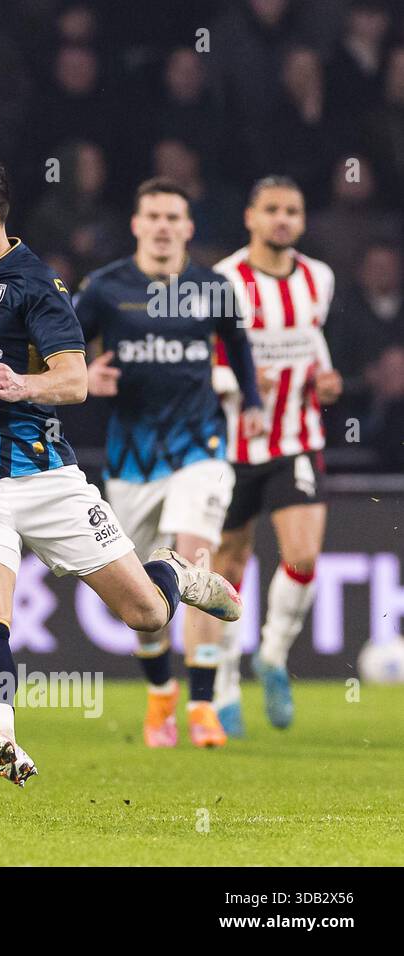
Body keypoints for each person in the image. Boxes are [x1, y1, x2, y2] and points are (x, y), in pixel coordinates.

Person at [0, 153, 243, 787]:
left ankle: (173, 572)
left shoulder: (38, 286)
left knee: (147, 615)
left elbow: (74, 380)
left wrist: (19, 383)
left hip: (45, 480)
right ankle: (0, 736)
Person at [75, 178, 264, 748]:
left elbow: (240, 347)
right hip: (131, 461)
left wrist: (251, 403)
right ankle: (161, 696)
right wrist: (85, 375)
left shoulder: (214, 288)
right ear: (136, 224)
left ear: (188, 226)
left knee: (192, 557)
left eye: (172, 217)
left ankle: (202, 704)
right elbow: (59, 349)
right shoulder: (105, 289)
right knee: (140, 595)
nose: (162, 226)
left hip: (200, 449)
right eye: (152, 215)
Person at [211, 176, 343, 735]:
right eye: (272, 210)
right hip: (232, 445)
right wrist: (237, 378)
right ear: (251, 217)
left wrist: (327, 379)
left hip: (297, 438)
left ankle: (272, 656)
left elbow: (310, 338)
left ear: (303, 220)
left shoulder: (320, 278)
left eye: (292, 210)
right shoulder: (225, 281)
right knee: (227, 569)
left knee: (305, 554)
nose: (282, 219)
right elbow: (199, 359)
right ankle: (220, 684)